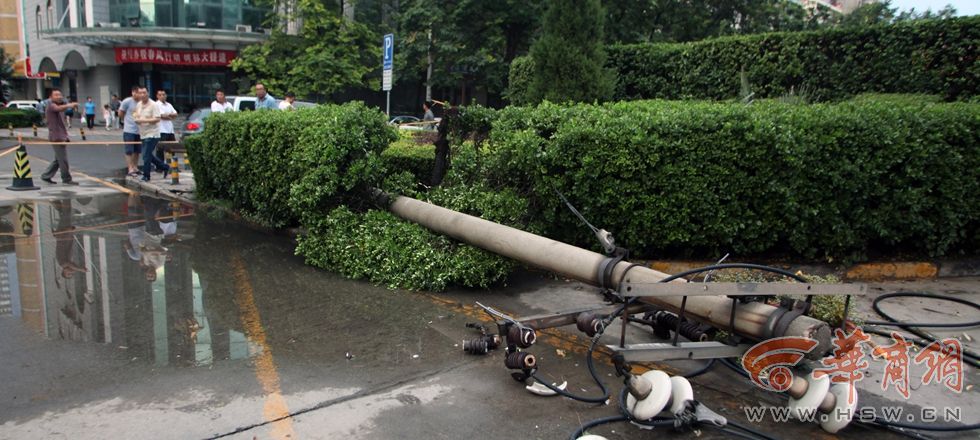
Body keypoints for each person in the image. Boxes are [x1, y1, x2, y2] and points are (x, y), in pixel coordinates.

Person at [41, 90, 79, 185]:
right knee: (63, 160)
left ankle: (46, 176)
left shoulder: (59, 106)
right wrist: (69, 105)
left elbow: (61, 109)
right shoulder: (51, 105)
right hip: (56, 137)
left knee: (58, 159)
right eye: (56, 95)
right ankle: (66, 179)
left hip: (61, 136)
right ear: (51, 97)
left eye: (60, 95)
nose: (59, 96)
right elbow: (58, 108)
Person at [133, 86, 169, 182]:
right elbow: (136, 114)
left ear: (148, 93)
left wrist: (143, 120)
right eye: (140, 93)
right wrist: (136, 118)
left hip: (153, 133)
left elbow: (157, 118)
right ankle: (165, 167)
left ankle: (146, 175)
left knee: (146, 155)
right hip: (143, 133)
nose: (142, 95)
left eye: (144, 93)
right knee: (147, 154)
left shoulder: (153, 105)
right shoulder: (139, 105)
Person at [118, 86, 141, 176]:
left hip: (139, 130)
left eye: (139, 92)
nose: (137, 94)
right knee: (129, 150)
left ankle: (135, 167)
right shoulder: (127, 101)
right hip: (129, 130)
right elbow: (120, 113)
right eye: (135, 92)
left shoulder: (142, 102)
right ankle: (130, 168)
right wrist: (127, 121)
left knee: (137, 150)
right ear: (132, 92)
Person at [155, 89, 178, 162]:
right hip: (161, 130)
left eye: (164, 94)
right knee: (160, 149)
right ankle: (160, 166)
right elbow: (162, 116)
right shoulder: (156, 105)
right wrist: (169, 116)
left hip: (170, 130)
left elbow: (175, 114)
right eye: (160, 95)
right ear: (157, 96)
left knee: (171, 148)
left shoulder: (169, 105)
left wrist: (167, 115)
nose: (162, 96)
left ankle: (171, 165)